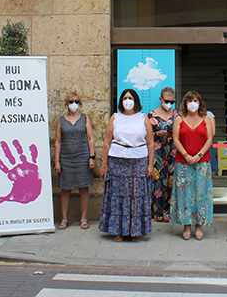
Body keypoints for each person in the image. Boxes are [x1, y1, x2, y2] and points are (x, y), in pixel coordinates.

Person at [99, 89, 155, 242]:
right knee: (118, 195)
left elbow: (151, 143)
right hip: (117, 161)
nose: (127, 101)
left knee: (136, 195)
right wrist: (104, 164)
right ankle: (118, 230)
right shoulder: (115, 118)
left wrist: (150, 165)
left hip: (139, 161)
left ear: (136, 101)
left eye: (130, 98)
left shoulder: (143, 118)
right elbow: (106, 142)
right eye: (125, 98)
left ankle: (135, 231)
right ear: (121, 101)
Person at [170, 91, 214, 240]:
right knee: (184, 194)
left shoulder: (206, 119)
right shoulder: (179, 119)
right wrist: (186, 155)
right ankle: (186, 225)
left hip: (202, 163)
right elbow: (176, 139)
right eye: (190, 101)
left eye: (195, 100)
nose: (192, 103)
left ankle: (199, 225)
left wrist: (199, 155)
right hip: (183, 163)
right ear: (185, 103)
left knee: (201, 193)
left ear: (200, 103)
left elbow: (209, 139)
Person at [53, 92, 95, 230]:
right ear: (67, 103)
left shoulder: (85, 118)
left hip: (82, 156)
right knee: (65, 188)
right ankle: (64, 219)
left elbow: (90, 138)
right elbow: (58, 141)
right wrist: (57, 161)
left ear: (80, 103)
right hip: (66, 158)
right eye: (71, 101)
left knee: (84, 187)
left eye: (76, 101)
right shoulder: (61, 120)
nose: (74, 104)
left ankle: (84, 218)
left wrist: (92, 157)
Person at [147, 87, 177, 222]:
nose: (169, 104)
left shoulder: (176, 115)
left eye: (172, 102)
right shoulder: (152, 115)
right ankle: (157, 211)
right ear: (161, 99)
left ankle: (168, 211)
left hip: (173, 150)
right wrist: (157, 134)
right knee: (158, 180)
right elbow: (146, 136)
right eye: (166, 101)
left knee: (172, 180)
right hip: (158, 151)